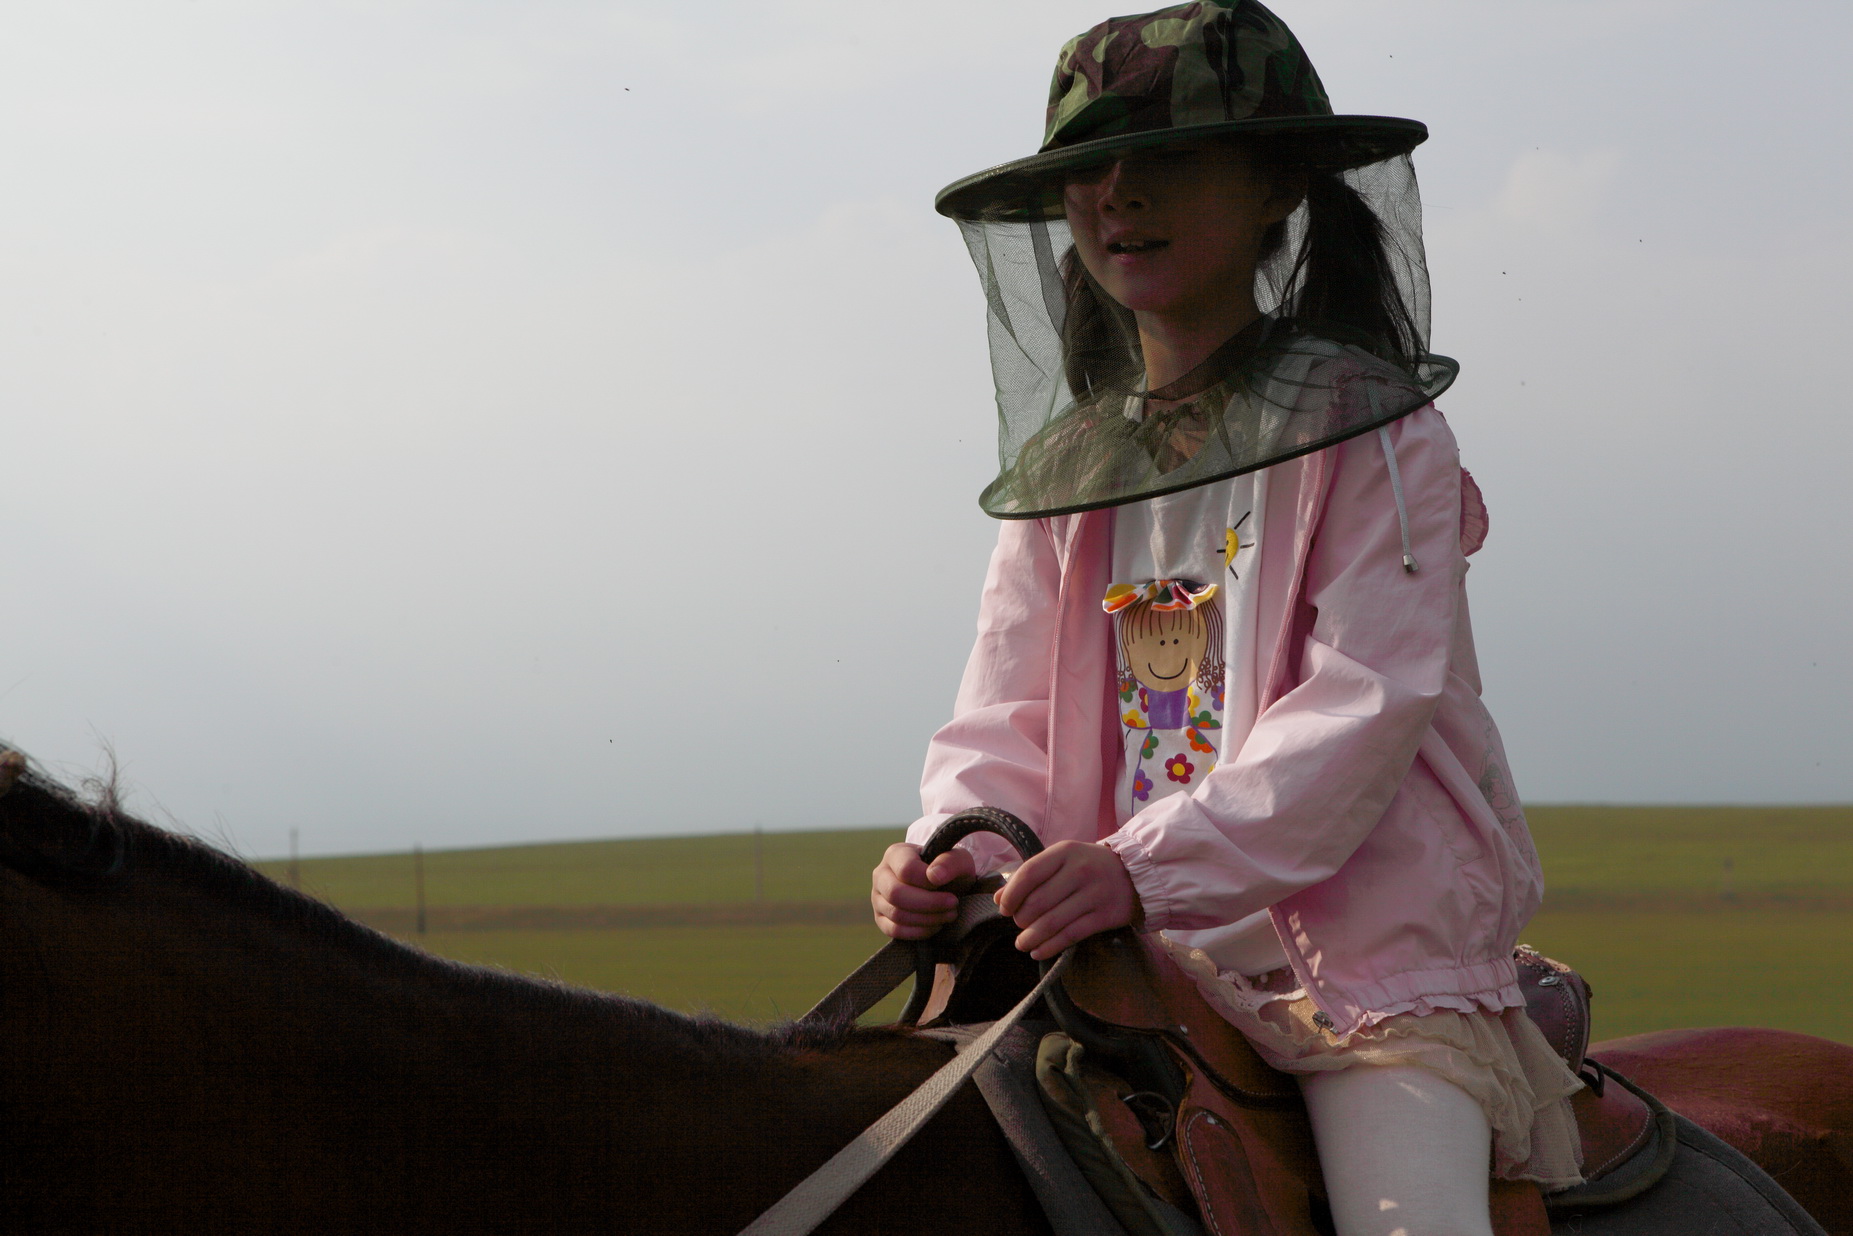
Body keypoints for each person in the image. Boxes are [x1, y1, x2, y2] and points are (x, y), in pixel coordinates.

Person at [868, 2, 1583, 1234]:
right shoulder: (1067, 468)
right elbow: (1002, 715)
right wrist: (953, 857)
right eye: (1086, 170)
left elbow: (1364, 703)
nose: (1116, 197)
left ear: (1273, 184)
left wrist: (1140, 867)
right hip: (1112, 958)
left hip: (1360, 976)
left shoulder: (1375, 429)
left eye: (1168, 159)